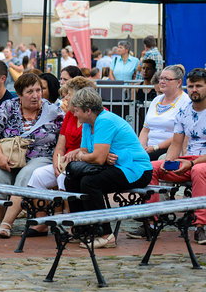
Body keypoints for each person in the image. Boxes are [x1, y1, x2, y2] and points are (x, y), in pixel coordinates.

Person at [62, 86, 153, 248]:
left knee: (90, 182)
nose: (74, 114)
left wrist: (91, 157)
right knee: (71, 180)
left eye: (76, 111)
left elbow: (93, 157)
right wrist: (97, 156)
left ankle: (105, 234)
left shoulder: (105, 120)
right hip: (118, 166)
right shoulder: (87, 123)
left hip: (136, 169)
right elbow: (87, 152)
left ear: (88, 110)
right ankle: (81, 228)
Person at [0, 71, 64, 238]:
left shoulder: (53, 110)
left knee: (26, 174)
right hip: (11, 156)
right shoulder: (9, 106)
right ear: (19, 95)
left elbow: (65, 135)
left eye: (38, 90)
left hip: (41, 156)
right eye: (30, 92)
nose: (36, 95)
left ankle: (7, 223)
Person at [25, 76, 96, 234]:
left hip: (83, 162)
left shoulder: (92, 115)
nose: (65, 98)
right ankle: (42, 221)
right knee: (38, 175)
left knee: (64, 177)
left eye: (68, 94)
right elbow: (60, 145)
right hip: (64, 161)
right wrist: (57, 162)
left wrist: (65, 164)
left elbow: (92, 149)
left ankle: (71, 222)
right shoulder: (70, 115)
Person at [149, 68, 206, 245]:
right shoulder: (184, 112)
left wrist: (193, 163)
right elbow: (176, 143)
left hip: (200, 163)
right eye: (191, 86)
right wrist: (168, 161)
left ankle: (200, 225)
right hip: (188, 160)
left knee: (198, 170)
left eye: (199, 86)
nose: (194, 90)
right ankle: (152, 221)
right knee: (151, 167)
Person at [138, 64, 190, 161]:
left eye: (167, 79)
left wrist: (155, 147)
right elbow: (145, 130)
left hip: (169, 150)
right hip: (148, 149)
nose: (162, 81)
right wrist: (141, 147)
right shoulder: (156, 100)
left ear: (179, 82)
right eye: (161, 78)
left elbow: (181, 135)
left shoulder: (186, 102)